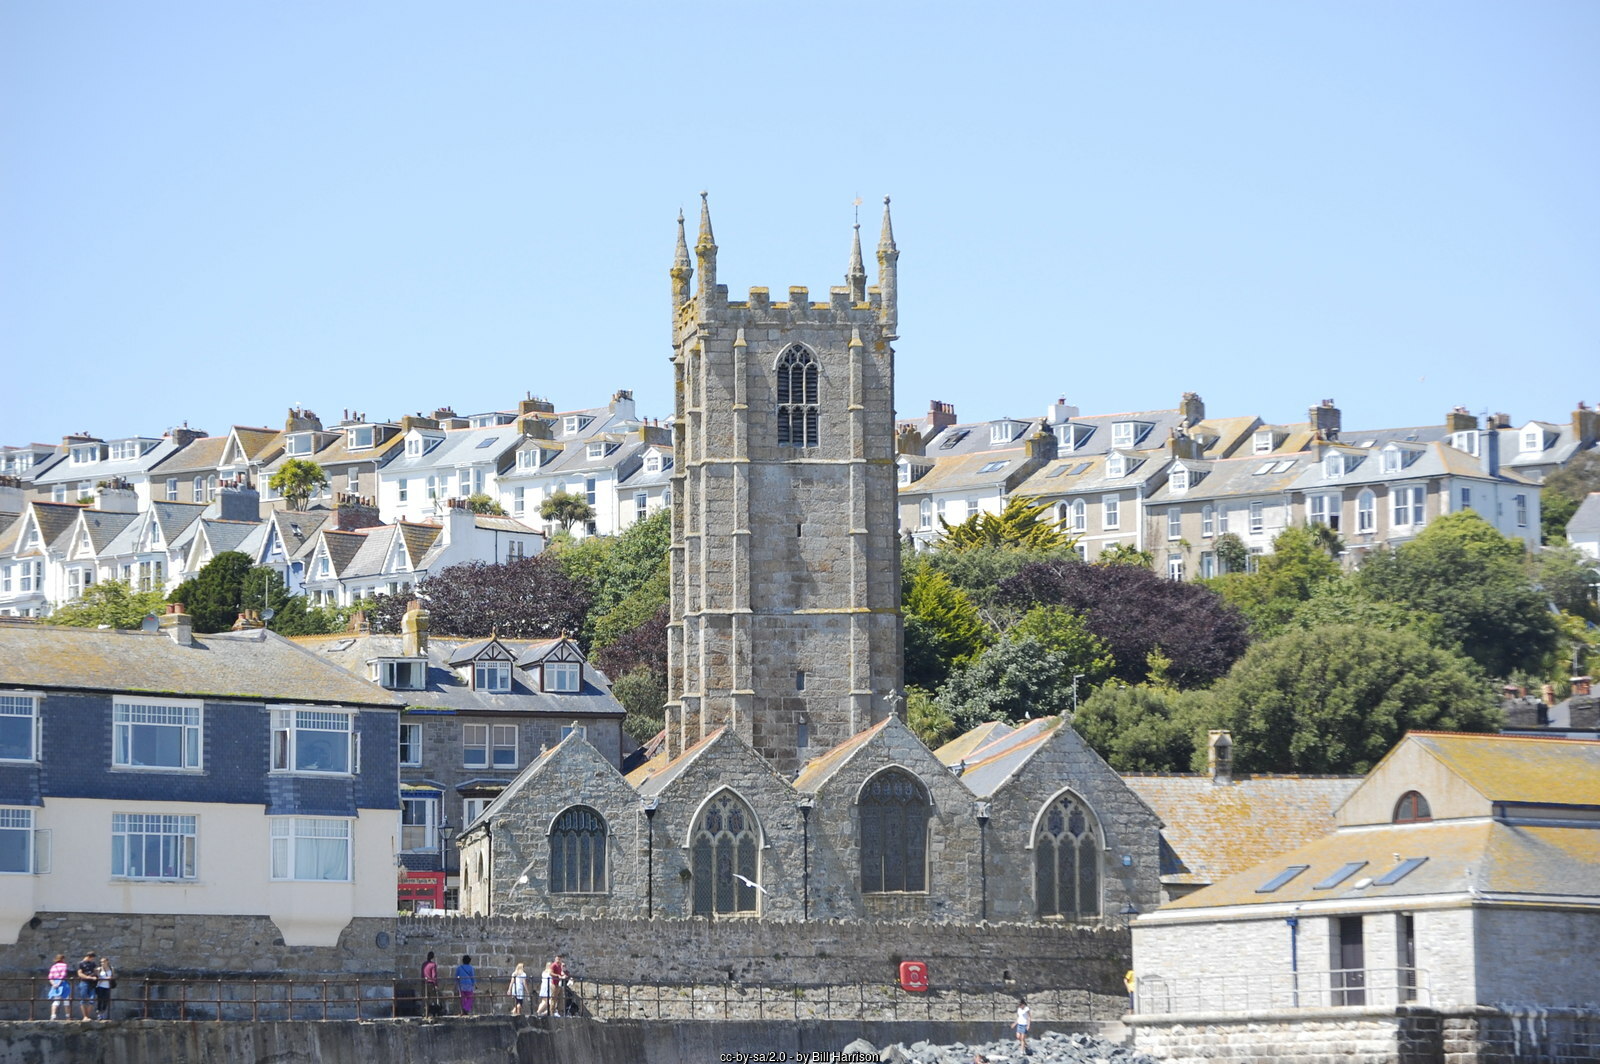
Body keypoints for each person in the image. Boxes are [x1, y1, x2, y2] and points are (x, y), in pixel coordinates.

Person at [75, 952, 99, 1021]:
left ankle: (87, 1016)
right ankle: (85, 1016)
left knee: (92, 999)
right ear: (89, 957)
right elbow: (80, 973)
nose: (92, 959)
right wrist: (88, 977)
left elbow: (95, 971)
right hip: (84, 982)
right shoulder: (81, 963)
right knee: (83, 999)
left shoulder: (93, 964)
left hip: (92, 983)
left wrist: (95, 973)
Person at [46, 954, 70, 1021]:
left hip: (55, 983)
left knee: (56, 1001)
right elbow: (63, 975)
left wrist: (54, 984)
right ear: (63, 959)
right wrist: (59, 983)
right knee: (66, 1000)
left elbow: (50, 977)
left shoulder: (53, 966)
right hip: (62, 984)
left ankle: (53, 1016)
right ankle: (68, 1016)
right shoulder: (64, 965)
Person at [94, 956, 116, 1021]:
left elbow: (113, 976)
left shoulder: (111, 969)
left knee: (106, 1000)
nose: (102, 963)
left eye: (104, 962)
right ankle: (99, 1014)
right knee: (100, 1000)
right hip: (100, 986)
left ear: (107, 962)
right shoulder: (99, 969)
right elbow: (98, 977)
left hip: (107, 986)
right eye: (101, 962)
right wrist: (106, 978)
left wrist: (111, 978)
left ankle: (103, 1013)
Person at [421, 951, 440, 1018]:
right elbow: (434, 975)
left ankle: (424, 1013)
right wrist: (436, 984)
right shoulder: (433, 965)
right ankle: (434, 1013)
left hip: (424, 983)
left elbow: (422, 974)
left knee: (425, 999)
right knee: (434, 998)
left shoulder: (423, 964)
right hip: (430, 983)